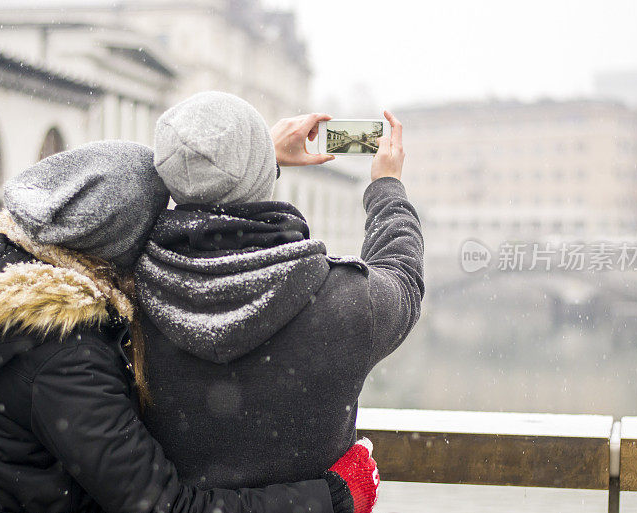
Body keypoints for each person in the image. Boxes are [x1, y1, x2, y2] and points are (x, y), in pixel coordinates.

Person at [0, 140, 379, 513]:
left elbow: (109, 196)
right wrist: (333, 495)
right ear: (120, 247)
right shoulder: (63, 362)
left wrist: (253, 151)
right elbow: (165, 505)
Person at [131, 93, 424, 490]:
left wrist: (245, 158)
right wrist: (386, 187)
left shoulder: (127, 294)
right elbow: (403, 277)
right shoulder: (343, 303)